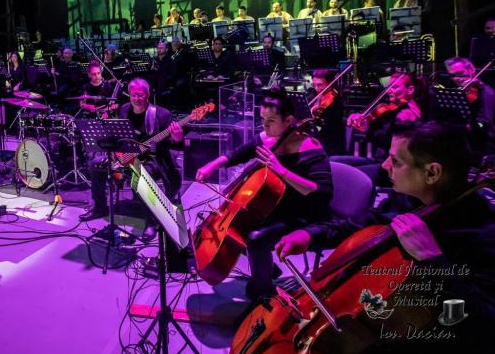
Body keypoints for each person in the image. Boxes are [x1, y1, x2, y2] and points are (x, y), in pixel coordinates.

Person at [275, 122, 495, 354]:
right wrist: (312, 234)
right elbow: (366, 224)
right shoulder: (410, 199)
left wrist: (433, 258)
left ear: (432, 173)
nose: (384, 165)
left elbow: (485, 323)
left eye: (396, 161)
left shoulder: (483, 234)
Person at [196, 87, 333, 300]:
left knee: (255, 238)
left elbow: (324, 193)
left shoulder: (310, 147)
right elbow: (237, 155)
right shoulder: (267, 138)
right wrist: (212, 165)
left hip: (303, 214)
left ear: (289, 121)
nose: (264, 126)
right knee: (237, 226)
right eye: (262, 119)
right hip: (274, 207)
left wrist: (282, 171)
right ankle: (266, 269)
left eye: (270, 121)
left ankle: (263, 293)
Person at [80, 78, 183, 221]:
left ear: (147, 95)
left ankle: (151, 220)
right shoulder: (125, 109)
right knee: (95, 165)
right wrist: (116, 152)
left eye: (140, 95)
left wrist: (177, 137)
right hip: (127, 156)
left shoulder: (162, 114)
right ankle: (99, 208)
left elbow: (175, 144)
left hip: (153, 159)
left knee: (142, 173)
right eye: (133, 95)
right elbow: (120, 136)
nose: (136, 99)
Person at [333, 71, 422, 186]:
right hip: (379, 160)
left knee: (344, 174)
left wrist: (368, 130)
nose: (389, 91)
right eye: (388, 87)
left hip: (390, 167)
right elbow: (376, 131)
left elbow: (389, 145)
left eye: (395, 87)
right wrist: (363, 123)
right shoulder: (394, 110)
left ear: (410, 90)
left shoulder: (406, 115)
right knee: (333, 161)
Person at [443, 56, 494, 155]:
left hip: (483, 146)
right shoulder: (460, 92)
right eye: (452, 75)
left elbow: (485, 124)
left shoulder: (487, 93)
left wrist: (465, 126)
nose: (457, 78)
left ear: (471, 69)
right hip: (465, 143)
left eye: (460, 73)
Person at [309, 69, 345, 155]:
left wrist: (316, 115)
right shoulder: (315, 96)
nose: (317, 88)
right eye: (314, 85)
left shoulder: (336, 100)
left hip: (331, 142)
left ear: (330, 83)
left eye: (320, 85)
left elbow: (329, 126)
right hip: (318, 137)